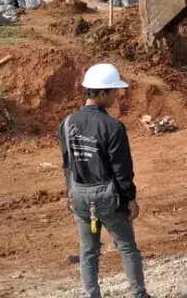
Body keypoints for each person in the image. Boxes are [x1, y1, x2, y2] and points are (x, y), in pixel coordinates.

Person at [58, 63, 150, 298]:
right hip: (108, 199)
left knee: (88, 250)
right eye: (113, 91)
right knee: (127, 247)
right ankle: (139, 294)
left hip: (79, 196)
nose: (117, 96)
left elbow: (68, 164)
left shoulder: (67, 124)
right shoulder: (113, 127)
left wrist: (71, 195)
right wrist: (130, 198)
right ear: (101, 93)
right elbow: (122, 169)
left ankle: (92, 295)